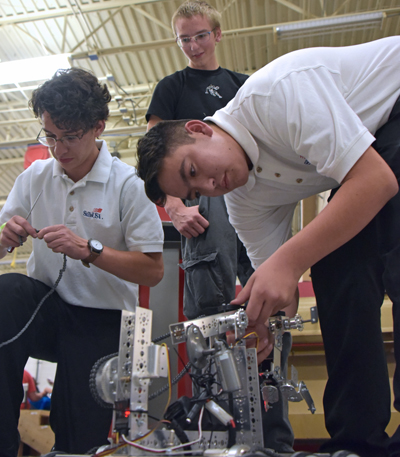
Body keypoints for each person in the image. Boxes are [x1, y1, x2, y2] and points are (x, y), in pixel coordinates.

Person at [136, 36, 400, 457]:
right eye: (193, 190)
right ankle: (358, 442)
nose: (209, 186)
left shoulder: (277, 94)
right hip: (377, 143)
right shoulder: (243, 199)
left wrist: (289, 261)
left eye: (194, 169)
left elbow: (376, 181)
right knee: (334, 268)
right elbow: (284, 293)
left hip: (393, 114)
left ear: (199, 129)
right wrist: (258, 324)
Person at [146, 1, 294, 452]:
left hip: (254, 198)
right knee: (212, 317)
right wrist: (175, 205)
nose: (192, 46)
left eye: (200, 36)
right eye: (184, 39)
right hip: (203, 213)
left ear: (218, 35)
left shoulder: (240, 86)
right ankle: (220, 435)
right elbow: (156, 160)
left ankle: (276, 438)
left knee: (269, 313)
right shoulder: (171, 88)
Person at [0, 67, 164, 456]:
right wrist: (4, 239)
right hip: (46, 309)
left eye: (70, 137)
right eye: (51, 136)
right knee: (5, 292)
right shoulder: (33, 177)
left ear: (98, 127)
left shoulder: (129, 185)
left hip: (101, 319)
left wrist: (89, 250)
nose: (59, 149)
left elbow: (153, 270)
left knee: (79, 433)